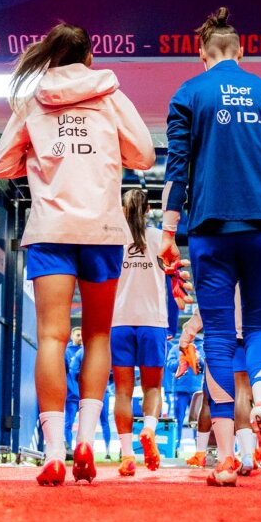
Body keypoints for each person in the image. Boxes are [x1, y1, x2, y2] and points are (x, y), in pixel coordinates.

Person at [0, 22, 154, 485]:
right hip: (102, 228)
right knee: (98, 336)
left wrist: (40, 160)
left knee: (51, 338)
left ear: (52, 57)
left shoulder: (33, 102)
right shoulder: (111, 97)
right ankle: (85, 440)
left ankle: (53, 453)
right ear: (89, 58)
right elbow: (143, 156)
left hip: (51, 229)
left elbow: (1, 165)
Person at [160, 7, 261, 487]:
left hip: (211, 229)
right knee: (259, 327)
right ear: (242, 51)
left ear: (202, 54)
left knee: (218, 335)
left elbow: (177, 166)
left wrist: (168, 231)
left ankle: (225, 459)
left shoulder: (188, 94)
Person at [111, 188, 174, 476]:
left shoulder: (114, 237)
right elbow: (173, 277)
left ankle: (127, 455)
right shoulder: (160, 238)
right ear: (149, 210)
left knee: (123, 392)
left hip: (120, 321)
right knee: (153, 388)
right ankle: (148, 428)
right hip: (152, 321)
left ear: (123, 210)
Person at [63, 327, 83, 454]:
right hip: (72, 394)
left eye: (82, 335)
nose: (80, 338)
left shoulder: (87, 351)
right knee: (69, 423)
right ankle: (69, 449)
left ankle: (83, 449)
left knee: (85, 425)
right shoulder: (66, 352)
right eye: (77, 335)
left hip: (85, 396)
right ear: (71, 336)